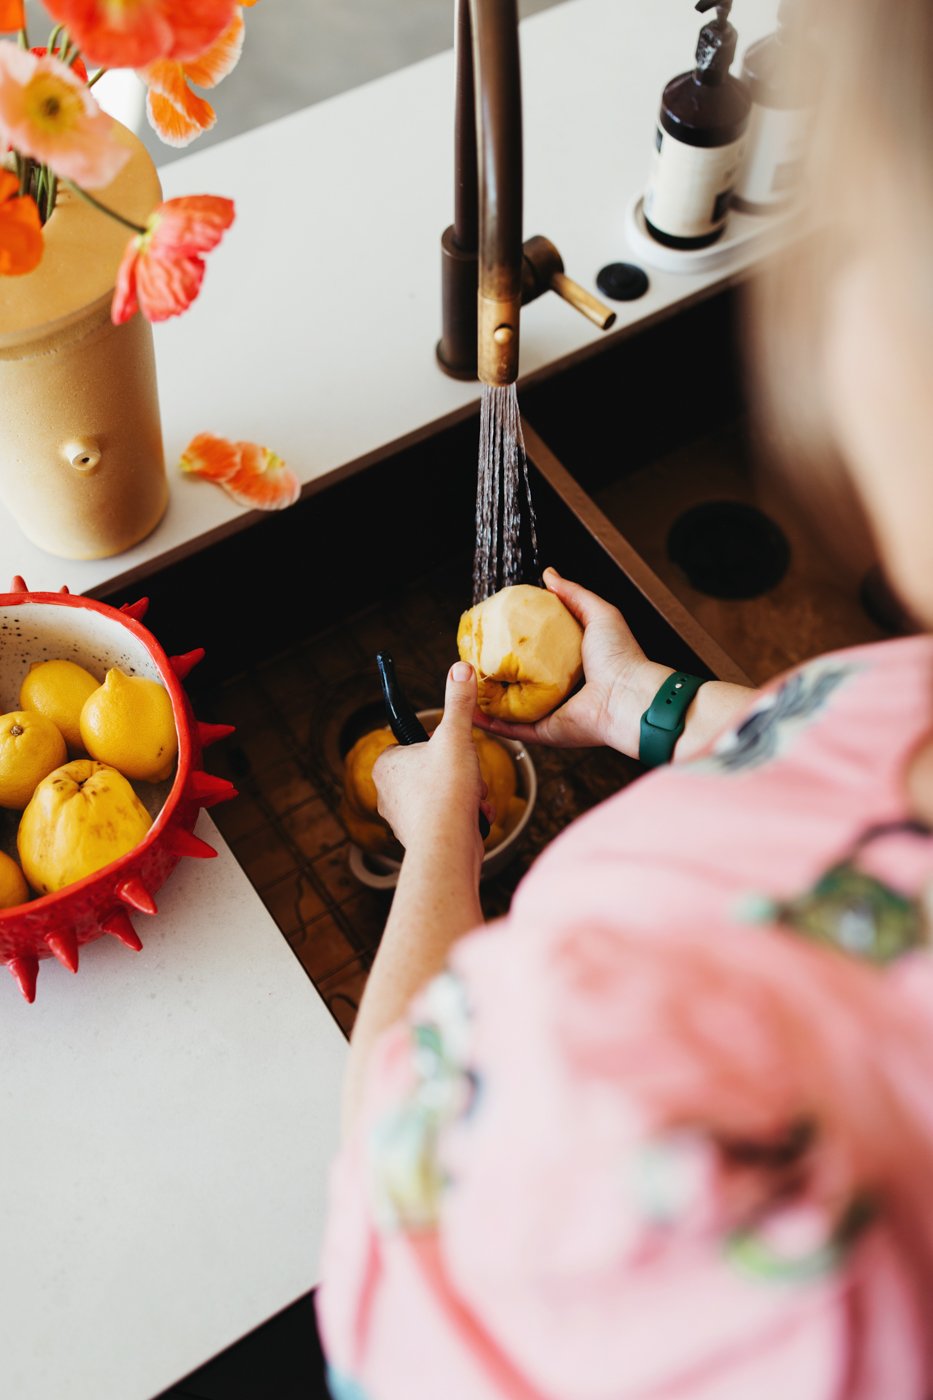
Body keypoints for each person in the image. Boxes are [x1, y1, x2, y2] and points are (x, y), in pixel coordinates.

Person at [316, 0, 933, 1394]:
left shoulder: (657, 1056)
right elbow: (814, 751)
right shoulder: (897, 695)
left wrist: (437, 840)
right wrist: (639, 707)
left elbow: (398, 1154)